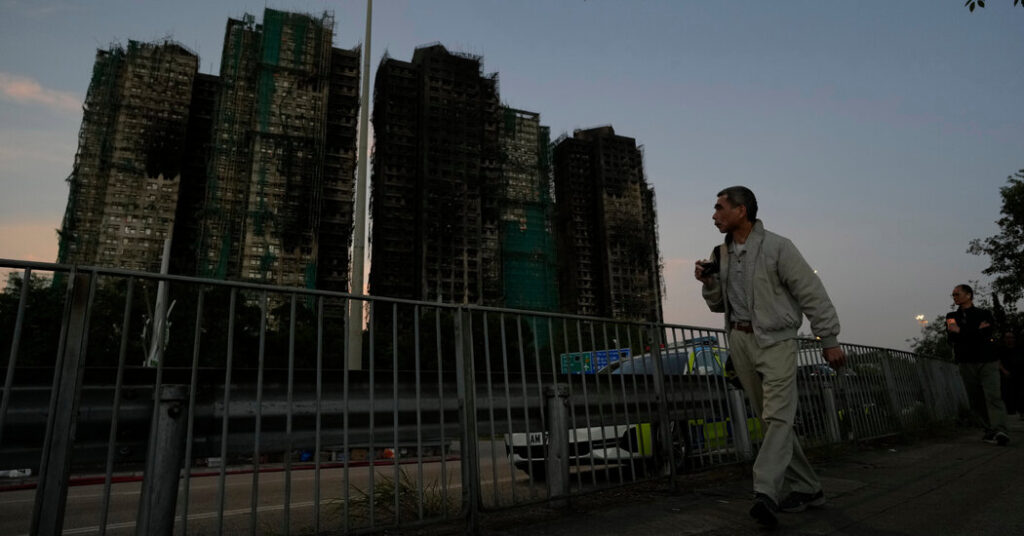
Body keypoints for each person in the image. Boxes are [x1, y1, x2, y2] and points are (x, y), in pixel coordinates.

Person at [694, 186, 846, 528]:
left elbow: (811, 292)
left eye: (720, 207)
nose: (714, 214)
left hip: (776, 341)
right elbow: (720, 304)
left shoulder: (779, 247)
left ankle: (765, 492)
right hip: (741, 341)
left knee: (778, 417)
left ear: (741, 211)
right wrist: (708, 283)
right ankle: (808, 488)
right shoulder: (720, 253)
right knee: (770, 420)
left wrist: (829, 338)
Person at [945, 284, 1009, 446]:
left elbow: (987, 332)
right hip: (966, 362)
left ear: (968, 295)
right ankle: (989, 429)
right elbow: (953, 334)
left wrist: (963, 332)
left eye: (957, 294)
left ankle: (1000, 429)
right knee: (976, 398)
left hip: (987, 360)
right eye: (953, 295)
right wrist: (975, 331)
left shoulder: (984, 313)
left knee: (993, 395)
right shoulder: (951, 316)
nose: (954, 297)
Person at [998, 331, 1021, 416]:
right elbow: (997, 361)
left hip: (1018, 374)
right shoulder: (1001, 349)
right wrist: (1004, 370)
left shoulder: (1018, 349)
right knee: (1006, 393)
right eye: (1007, 338)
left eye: (1011, 337)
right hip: (1005, 375)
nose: (1010, 340)